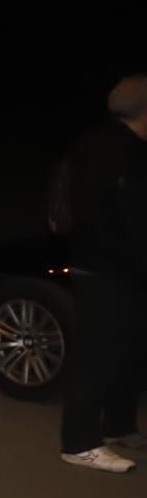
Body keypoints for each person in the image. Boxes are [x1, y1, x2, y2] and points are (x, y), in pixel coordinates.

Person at [58, 74, 147, 473]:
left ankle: (119, 426)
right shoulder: (114, 151)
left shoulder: (114, 143)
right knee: (97, 357)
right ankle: (79, 443)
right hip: (105, 270)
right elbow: (113, 219)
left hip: (118, 268)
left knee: (127, 352)